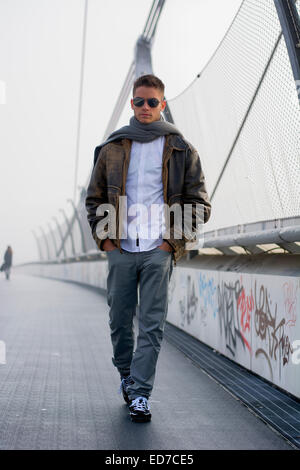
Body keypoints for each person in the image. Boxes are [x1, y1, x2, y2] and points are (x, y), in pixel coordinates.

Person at [85, 74, 211, 423]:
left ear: (163, 104)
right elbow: (94, 199)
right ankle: (126, 374)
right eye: (139, 101)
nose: (145, 108)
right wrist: (106, 240)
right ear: (132, 104)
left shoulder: (181, 148)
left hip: (158, 248)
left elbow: (199, 202)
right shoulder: (113, 147)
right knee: (119, 320)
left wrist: (171, 242)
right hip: (121, 248)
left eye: (152, 102)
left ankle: (141, 394)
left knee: (152, 324)